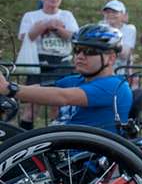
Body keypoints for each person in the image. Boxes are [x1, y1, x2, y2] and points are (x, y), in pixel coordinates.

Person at [0, 25, 131, 134]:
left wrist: (9, 88)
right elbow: (39, 91)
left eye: (89, 51)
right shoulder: (75, 80)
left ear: (111, 58)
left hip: (83, 160)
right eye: (77, 50)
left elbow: (63, 97)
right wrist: (7, 92)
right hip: (59, 152)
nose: (80, 56)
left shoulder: (115, 87)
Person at [15, 0, 80, 127]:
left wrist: (57, 29)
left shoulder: (67, 15)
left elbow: (74, 36)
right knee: (33, 104)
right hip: (39, 62)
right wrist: (45, 25)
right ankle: (24, 139)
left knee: (58, 105)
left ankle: (54, 137)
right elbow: (25, 36)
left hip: (62, 63)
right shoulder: (31, 16)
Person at [97, 0, 136, 76]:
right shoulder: (100, 27)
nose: (110, 14)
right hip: (100, 72)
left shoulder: (129, 29)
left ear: (123, 15)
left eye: (115, 12)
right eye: (107, 12)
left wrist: (107, 38)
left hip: (120, 74)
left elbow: (124, 54)